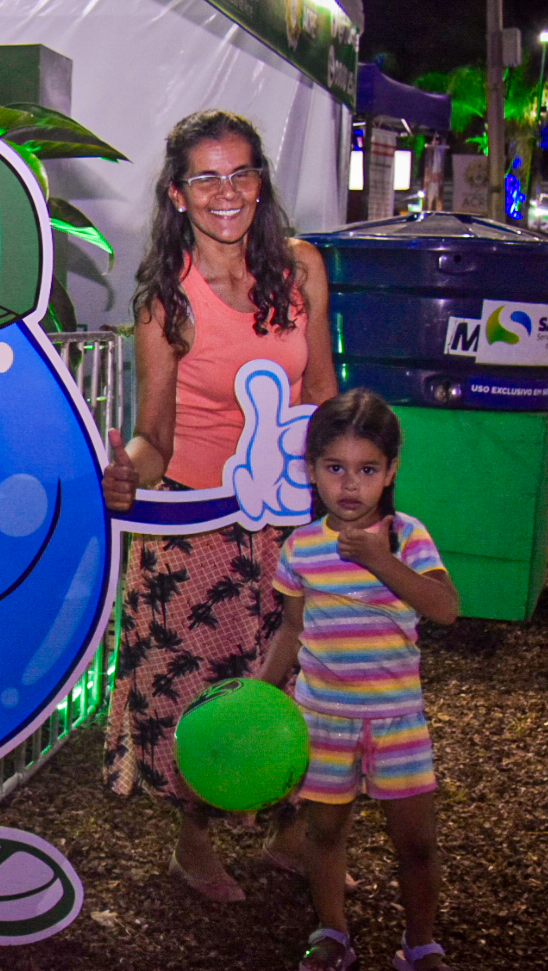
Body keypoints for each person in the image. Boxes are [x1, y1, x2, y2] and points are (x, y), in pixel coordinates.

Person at [101, 110, 338, 902]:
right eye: (206, 177)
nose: (225, 191)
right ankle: (194, 843)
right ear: (177, 194)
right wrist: (125, 477)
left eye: (240, 173)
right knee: (202, 691)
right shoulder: (166, 302)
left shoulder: (303, 269)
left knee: (299, 680)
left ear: (260, 182)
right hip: (199, 530)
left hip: (291, 525)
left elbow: (322, 395)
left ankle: (288, 833)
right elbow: (154, 436)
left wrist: (349, 495)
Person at [256, 388, 462, 971]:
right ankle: (331, 930)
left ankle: (421, 943)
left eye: (367, 470)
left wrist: (382, 561)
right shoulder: (300, 549)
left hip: (397, 720)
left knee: (418, 842)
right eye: (335, 468)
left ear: (391, 471)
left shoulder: (407, 536)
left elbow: (445, 609)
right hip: (325, 718)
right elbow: (292, 630)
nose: (350, 485)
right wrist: (261, 696)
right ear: (312, 469)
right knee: (324, 833)